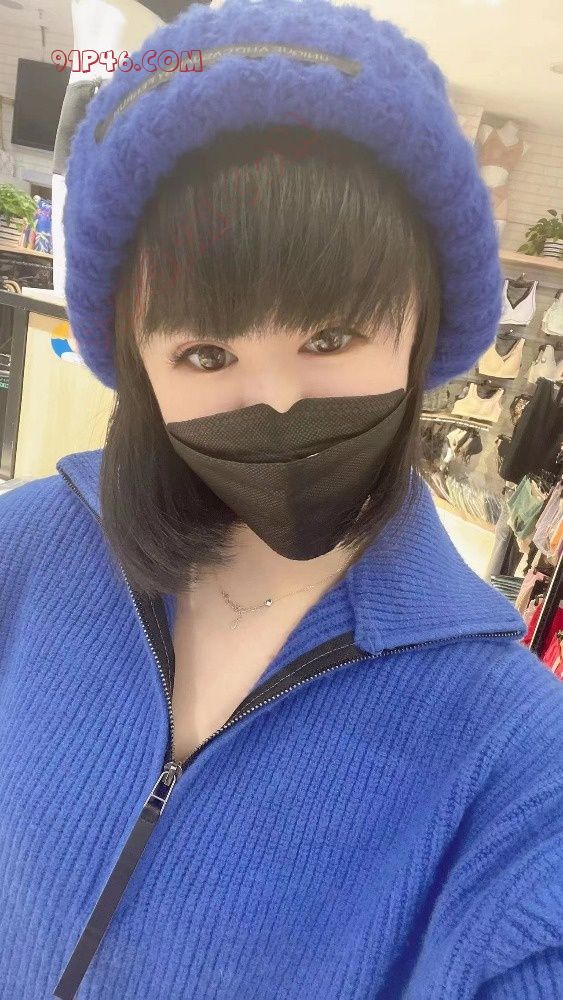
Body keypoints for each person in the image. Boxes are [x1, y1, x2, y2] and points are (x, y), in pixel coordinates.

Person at [0, 1, 561, 998]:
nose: (276, 400)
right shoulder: (22, 552)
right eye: (205, 353)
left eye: (330, 336)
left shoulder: (513, 751)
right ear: (137, 362)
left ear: (422, 323)